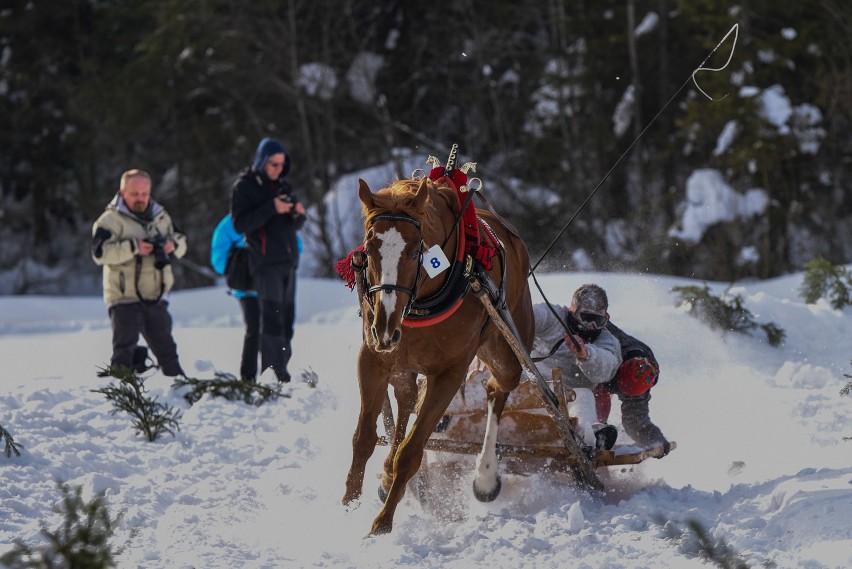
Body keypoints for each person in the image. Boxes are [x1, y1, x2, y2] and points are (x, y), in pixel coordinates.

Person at [532, 283, 669, 453]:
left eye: (597, 321)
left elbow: (635, 419)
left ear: (606, 319)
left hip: (572, 393)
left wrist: (655, 439)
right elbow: (527, 316)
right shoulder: (553, 316)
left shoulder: (613, 347)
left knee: (588, 395)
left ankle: (591, 439)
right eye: (586, 318)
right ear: (573, 310)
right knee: (595, 392)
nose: (590, 326)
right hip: (532, 382)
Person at [91, 169, 187, 377]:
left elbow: (182, 242)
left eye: (144, 194)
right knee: (124, 350)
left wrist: (172, 246)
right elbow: (99, 253)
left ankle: (182, 392)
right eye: (135, 194)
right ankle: (119, 396)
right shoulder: (109, 220)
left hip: (155, 295)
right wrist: (133, 248)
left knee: (168, 351)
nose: (140, 199)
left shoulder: (161, 216)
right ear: (123, 192)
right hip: (124, 297)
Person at [230, 138, 306, 383]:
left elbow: (294, 225)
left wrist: (298, 215)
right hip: (264, 263)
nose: (278, 169)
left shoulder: (283, 185)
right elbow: (240, 224)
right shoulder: (244, 187)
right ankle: (273, 376)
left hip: (288, 261)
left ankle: (280, 372)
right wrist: (271, 207)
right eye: (273, 164)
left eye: (282, 165)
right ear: (262, 161)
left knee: (287, 321)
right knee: (271, 321)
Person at [210, 213, 260, 382]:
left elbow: (295, 245)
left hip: (272, 285)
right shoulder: (229, 224)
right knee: (255, 330)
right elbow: (218, 260)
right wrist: (238, 267)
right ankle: (248, 378)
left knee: (272, 331)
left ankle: (276, 374)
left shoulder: (272, 213)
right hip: (246, 289)